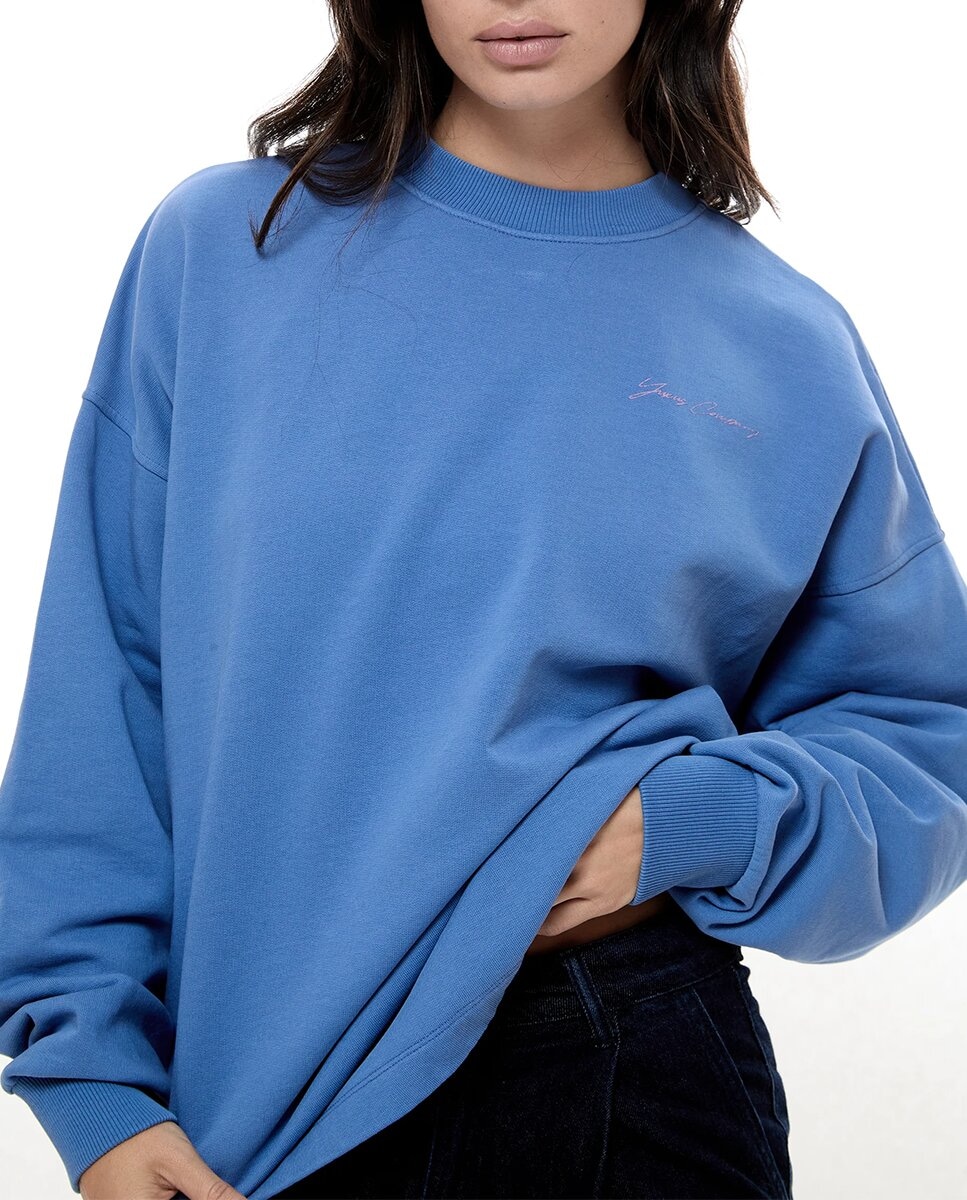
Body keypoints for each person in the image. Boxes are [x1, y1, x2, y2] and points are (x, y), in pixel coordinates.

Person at [2, 2, 966, 1198]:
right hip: (258, 1105)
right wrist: (90, 1076)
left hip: (622, 1065)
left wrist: (695, 818)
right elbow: (109, 675)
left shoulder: (781, 339)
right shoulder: (228, 249)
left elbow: (925, 740)